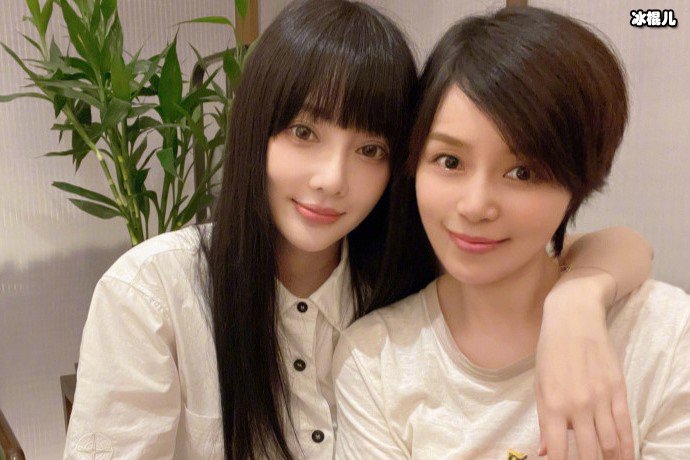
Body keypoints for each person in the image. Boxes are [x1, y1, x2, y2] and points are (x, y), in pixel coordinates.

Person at [64, 2, 652, 459]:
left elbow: (617, 246)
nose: (331, 180)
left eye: (370, 149)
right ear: (254, 129)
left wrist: (577, 302)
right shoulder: (153, 293)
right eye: (303, 133)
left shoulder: (411, 269)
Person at [333, 6, 688, 460]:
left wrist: (575, 302)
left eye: (522, 172)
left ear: (578, 180)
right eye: (449, 161)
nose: (476, 205)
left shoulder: (664, 337)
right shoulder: (375, 362)